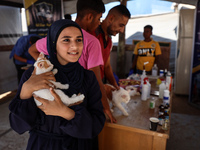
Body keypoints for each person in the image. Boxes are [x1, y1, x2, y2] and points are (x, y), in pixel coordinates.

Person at [9, 19, 105, 150]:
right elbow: (17, 125)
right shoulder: (34, 74)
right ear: (53, 43)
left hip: (79, 145)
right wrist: (26, 90)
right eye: (66, 40)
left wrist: (66, 112)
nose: (75, 46)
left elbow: (97, 123)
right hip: (42, 145)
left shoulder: (88, 78)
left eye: (79, 40)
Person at [29, 0, 117, 123]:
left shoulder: (57, 37)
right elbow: (96, 79)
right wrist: (105, 106)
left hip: (57, 97)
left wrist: (51, 70)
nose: (99, 23)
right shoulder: (92, 42)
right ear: (90, 17)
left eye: (78, 41)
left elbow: (32, 50)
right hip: (81, 98)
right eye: (99, 19)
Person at [91, 4, 130, 89]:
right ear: (111, 19)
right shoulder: (93, 35)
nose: (122, 30)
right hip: (90, 86)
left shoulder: (109, 41)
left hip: (98, 84)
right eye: (121, 25)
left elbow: (107, 66)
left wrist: (115, 86)